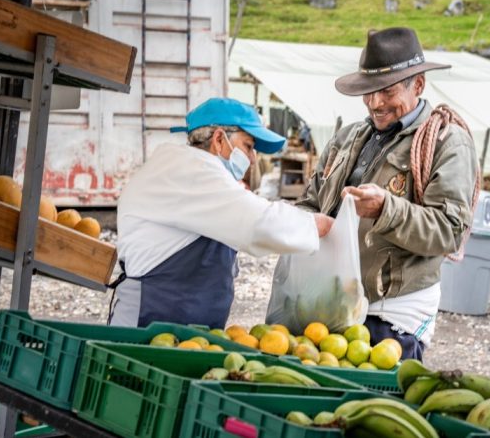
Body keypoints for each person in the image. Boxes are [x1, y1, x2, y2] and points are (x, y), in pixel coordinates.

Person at [295, 27, 479, 360]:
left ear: (418, 85)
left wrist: (385, 210)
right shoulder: (347, 138)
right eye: (369, 91)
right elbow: (312, 200)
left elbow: (449, 231)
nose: (375, 102)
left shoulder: (447, 143)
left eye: (387, 91)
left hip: (392, 314)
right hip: (330, 300)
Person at [109, 98, 334, 328]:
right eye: (248, 146)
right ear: (219, 139)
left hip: (178, 331)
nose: (253, 159)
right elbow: (257, 224)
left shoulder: (187, 169)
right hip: (147, 326)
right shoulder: (191, 172)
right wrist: (316, 224)